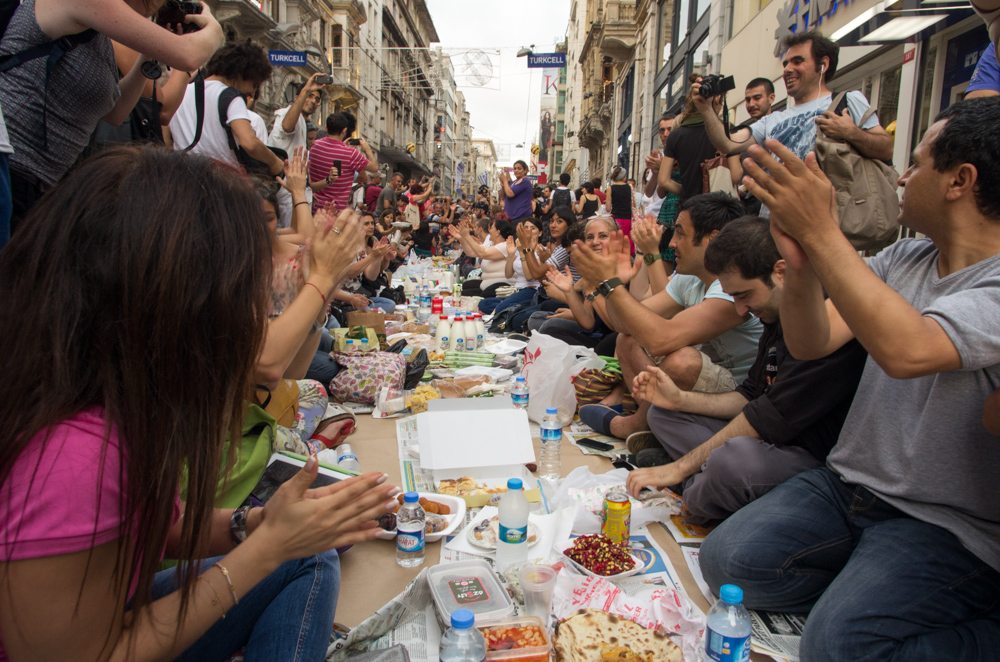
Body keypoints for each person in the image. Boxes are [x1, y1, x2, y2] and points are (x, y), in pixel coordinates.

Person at [0, 145, 398, 660]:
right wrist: (266, 548)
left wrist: (260, 523)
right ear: (186, 303)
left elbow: (160, 524)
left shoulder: (118, 403)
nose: (261, 307)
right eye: (247, 284)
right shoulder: (74, 460)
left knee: (310, 556)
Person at [700, 98, 1000, 659]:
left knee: (840, 646)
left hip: (942, 523)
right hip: (848, 487)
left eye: (915, 164)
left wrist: (822, 230)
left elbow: (908, 350)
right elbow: (811, 342)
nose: (901, 177)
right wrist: (808, 263)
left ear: (960, 180)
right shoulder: (905, 256)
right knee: (726, 562)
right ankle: (865, 592)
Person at [624, 217, 867, 525]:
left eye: (743, 295)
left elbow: (764, 417)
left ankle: (700, 487)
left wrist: (681, 468)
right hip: (760, 441)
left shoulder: (825, 321)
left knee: (732, 461)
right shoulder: (773, 314)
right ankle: (711, 484)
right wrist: (679, 400)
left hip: (803, 458)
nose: (740, 310)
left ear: (780, 273)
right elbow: (749, 395)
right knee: (662, 414)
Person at [0, 0, 225, 235]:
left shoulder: (101, 37)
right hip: (12, 165)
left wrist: (148, 56)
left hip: (43, 182)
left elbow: (116, 112)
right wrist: (214, 31)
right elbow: (188, 55)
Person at [573, 193, 762, 441]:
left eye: (680, 233)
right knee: (626, 341)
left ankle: (637, 424)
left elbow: (661, 340)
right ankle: (651, 421)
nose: (672, 243)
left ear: (712, 239)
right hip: (703, 381)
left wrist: (610, 283)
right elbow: (624, 325)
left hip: (740, 392)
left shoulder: (731, 287)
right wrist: (613, 284)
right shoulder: (688, 278)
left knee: (682, 360)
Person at [695, 30, 892, 218]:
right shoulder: (772, 120)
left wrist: (850, 132)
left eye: (798, 61)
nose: (788, 69)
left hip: (826, 225)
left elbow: (886, 148)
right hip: (774, 225)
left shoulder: (847, 101)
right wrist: (706, 109)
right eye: (786, 63)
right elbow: (727, 143)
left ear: (823, 64)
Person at [169, 41, 284, 177]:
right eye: (254, 84)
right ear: (244, 74)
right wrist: (275, 161)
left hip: (182, 176)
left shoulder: (181, 92)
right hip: (218, 181)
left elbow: (167, 138)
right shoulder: (231, 97)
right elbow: (249, 143)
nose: (252, 91)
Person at [659, 75, 726, 203]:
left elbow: (663, 181)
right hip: (718, 206)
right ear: (718, 99)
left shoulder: (676, 135)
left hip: (689, 206)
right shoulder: (726, 131)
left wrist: (688, 192)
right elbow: (736, 174)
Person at [309, 111, 378, 211]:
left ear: (327, 128)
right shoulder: (351, 153)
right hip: (337, 212)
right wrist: (367, 149)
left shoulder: (315, 146)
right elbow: (375, 168)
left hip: (315, 209)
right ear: (344, 130)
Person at [268, 73, 325, 154]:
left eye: (317, 99)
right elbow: (287, 127)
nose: (313, 101)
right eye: (309, 96)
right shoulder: (286, 112)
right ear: (297, 98)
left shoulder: (303, 122)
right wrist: (306, 90)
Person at [606, 165, 634, 251]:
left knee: (616, 242)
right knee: (627, 241)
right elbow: (633, 204)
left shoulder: (610, 188)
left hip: (616, 219)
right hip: (628, 219)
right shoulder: (629, 187)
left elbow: (608, 208)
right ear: (624, 177)